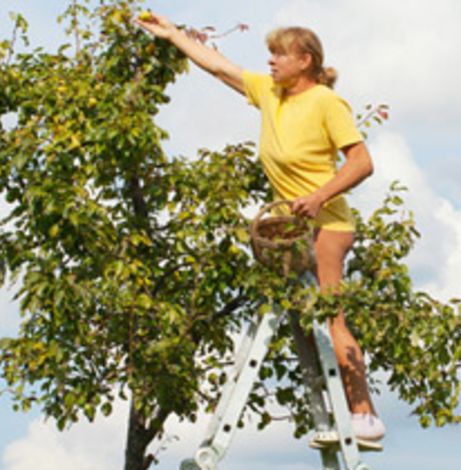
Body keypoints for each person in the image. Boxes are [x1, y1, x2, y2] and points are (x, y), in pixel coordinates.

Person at [135, 14, 386, 446]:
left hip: (327, 224)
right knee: (306, 325)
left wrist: (320, 196)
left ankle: (365, 417)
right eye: (269, 54)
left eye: (279, 55)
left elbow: (362, 163)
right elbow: (219, 67)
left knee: (330, 315)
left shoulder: (326, 103)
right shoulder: (271, 94)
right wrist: (173, 34)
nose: (269, 62)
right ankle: (332, 416)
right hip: (290, 229)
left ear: (305, 61)